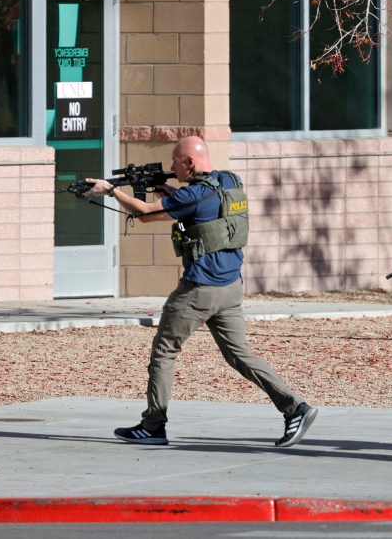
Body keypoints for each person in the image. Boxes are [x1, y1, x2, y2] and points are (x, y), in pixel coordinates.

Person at [86, 136, 317, 448]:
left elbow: (145, 212)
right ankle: (296, 408)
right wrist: (170, 191)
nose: (171, 168)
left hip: (200, 289)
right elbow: (201, 207)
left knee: (164, 351)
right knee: (240, 355)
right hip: (231, 287)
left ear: (189, 164)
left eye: (175, 163)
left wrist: (111, 191)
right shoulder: (229, 181)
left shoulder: (194, 193)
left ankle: (153, 426)